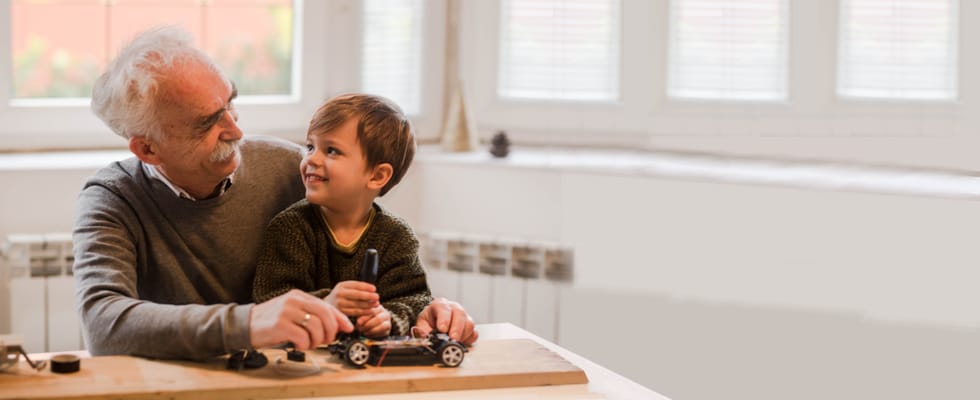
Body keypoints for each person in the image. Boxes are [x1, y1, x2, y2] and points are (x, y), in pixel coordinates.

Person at [73, 26, 475, 361]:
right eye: (207, 123)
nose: (236, 131)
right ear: (148, 149)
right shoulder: (112, 199)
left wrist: (430, 311)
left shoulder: (291, 168)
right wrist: (251, 323)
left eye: (231, 104)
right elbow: (105, 326)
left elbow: (373, 284)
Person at [253, 94, 427, 340]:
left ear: (377, 176)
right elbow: (269, 301)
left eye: (331, 151)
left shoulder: (397, 236)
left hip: (366, 359)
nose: (311, 158)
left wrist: (387, 318)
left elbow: (416, 300)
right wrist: (326, 304)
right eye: (310, 147)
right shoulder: (290, 227)